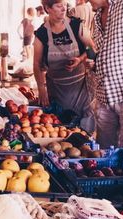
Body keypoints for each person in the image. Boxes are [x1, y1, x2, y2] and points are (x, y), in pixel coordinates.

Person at [33, 0, 95, 132]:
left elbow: (92, 48)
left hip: (81, 89)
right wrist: (41, 88)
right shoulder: (41, 34)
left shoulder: (76, 25)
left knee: (84, 129)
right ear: (47, 8)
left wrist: (80, 59)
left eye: (65, 5)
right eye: (59, 6)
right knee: (60, 128)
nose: (64, 9)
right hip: (57, 90)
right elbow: (37, 63)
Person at [85, 0, 123, 147]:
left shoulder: (121, 6)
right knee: (104, 148)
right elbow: (101, 52)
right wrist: (94, 63)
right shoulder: (96, 18)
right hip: (104, 94)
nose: (88, 2)